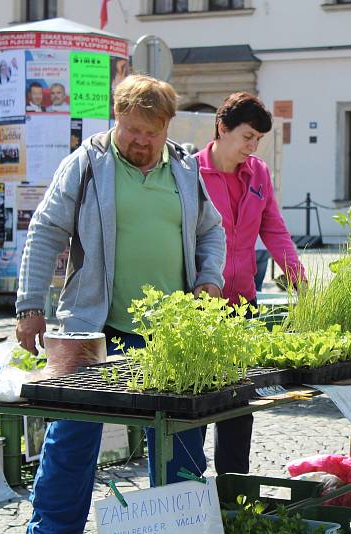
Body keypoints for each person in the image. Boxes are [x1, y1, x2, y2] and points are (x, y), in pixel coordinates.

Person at [15, 74, 225, 533]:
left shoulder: (186, 170)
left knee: (181, 441)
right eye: (133, 130)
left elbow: (212, 230)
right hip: (93, 330)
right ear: (117, 119)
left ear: (168, 128)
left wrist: (209, 279)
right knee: (72, 437)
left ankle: (176, 527)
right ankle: (52, 528)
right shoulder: (87, 164)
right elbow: (46, 229)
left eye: (152, 133)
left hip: (171, 336)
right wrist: (30, 306)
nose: (141, 142)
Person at [195, 91, 305, 475]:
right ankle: (189, 492)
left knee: (241, 403)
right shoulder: (190, 173)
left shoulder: (257, 172)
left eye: (258, 139)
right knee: (197, 401)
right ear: (222, 129)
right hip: (198, 308)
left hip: (243, 304)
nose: (252, 146)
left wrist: (297, 279)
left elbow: (273, 226)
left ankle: (232, 489)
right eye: (246, 137)